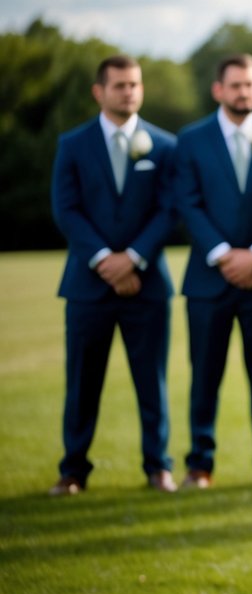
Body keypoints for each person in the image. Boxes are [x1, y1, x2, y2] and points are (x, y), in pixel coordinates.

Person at [49, 54, 178, 495]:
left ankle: (158, 467)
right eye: (120, 85)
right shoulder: (73, 144)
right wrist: (106, 258)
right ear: (99, 91)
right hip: (89, 286)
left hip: (147, 286)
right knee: (83, 383)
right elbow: (66, 209)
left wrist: (135, 257)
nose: (129, 92)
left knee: (152, 382)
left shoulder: (164, 146)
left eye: (135, 84)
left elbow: (169, 209)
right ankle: (73, 470)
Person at [175, 53, 252, 489]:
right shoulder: (191, 140)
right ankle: (199, 464)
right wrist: (225, 254)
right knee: (205, 374)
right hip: (209, 280)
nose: (245, 92)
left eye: (251, 84)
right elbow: (187, 202)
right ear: (218, 90)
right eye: (237, 85)